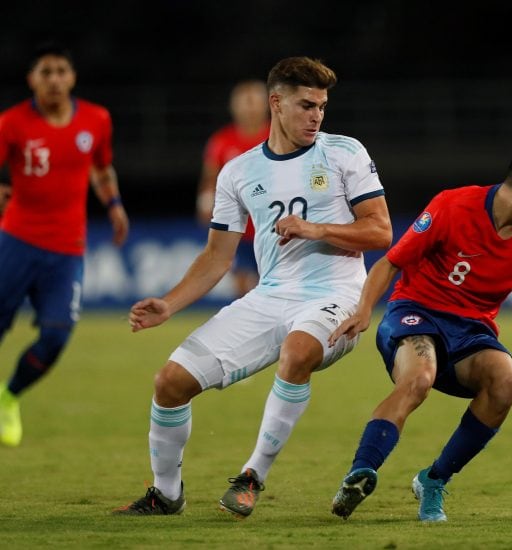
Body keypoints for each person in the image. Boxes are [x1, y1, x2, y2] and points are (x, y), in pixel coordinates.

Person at [113, 56, 392, 516]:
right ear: (276, 103)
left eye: (321, 106)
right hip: (270, 297)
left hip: (337, 296)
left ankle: (252, 476)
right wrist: (170, 303)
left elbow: (380, 231)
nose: (316, 116)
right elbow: (217, 256)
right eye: (306, 105)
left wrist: (316, 229)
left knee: (298, 352)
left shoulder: (345, 152)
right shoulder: (238, 172)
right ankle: (166, 495)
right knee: (170, 382)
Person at [329, 138, 512, 522]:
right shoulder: (453, 207)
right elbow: (390, 262)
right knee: (419, 377)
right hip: (416, 313)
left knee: (507, 382)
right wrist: (365, 309)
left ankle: (433, 480)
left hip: (471, 331)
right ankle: (360, 473)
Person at [0, 42, 129, 448]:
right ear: (32, 79)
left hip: (67, 249)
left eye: (61, 71)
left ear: (71, 77)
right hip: (16, 240)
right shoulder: (11, 123)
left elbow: (101, 168)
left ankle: (8, 397)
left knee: (56, 337)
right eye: (46, 72)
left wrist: (114, 205)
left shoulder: (96, 119)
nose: (54, 79)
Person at [197, 80, 270, 297]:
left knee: (272, 284)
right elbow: (210, 178)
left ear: (266, 105)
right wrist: (204, 203)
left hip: (271, 225)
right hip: (237, 227)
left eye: (254, 103)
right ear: (234, 106)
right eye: (244, 103)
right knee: (240, 285)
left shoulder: (279, 135)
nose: (249, 109)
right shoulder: (221, 141)